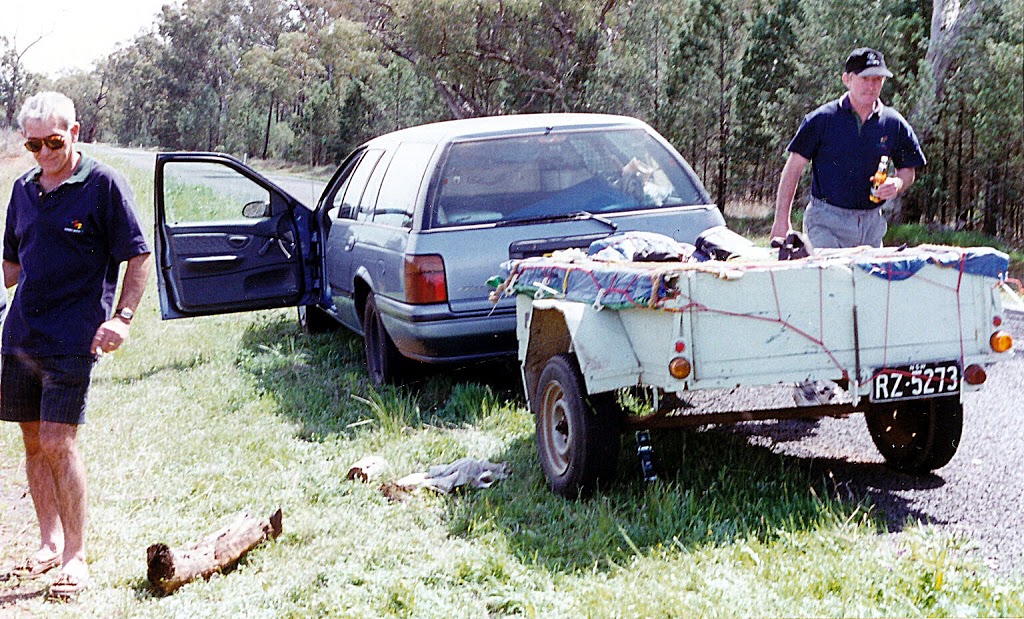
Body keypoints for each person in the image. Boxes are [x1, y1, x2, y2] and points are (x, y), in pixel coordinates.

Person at [0, 91, 152, 599]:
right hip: (21, 337)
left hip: (73, 339)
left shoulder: (103, 185)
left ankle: (75, 555)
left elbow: (138, 255)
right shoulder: (23, 190)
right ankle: (47, 544)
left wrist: (123, 318)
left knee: (58, 441)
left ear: (76, 133)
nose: (43, 153)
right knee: (31, 441)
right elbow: (11, 269)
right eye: (33, 144)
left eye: (54, 142)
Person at [771, 47, 927, 249]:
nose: (871, 86)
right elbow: (793, 169)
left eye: (877, 80)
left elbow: (908, 171)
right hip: (826, 223)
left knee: (868, 280)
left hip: (871, 225)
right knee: (830, 279)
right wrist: (781, 221)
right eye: (865, 79)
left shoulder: (893, 123)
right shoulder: (822, 119)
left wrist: (896, 183)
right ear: (847, 79)